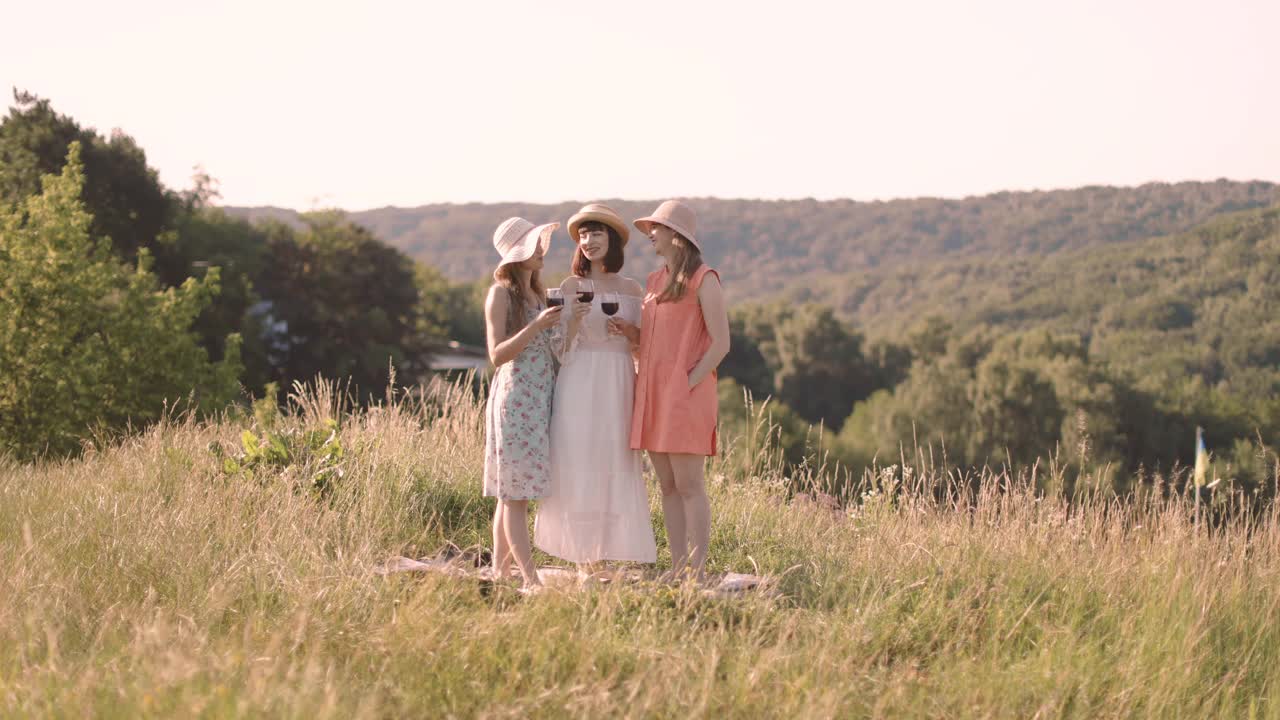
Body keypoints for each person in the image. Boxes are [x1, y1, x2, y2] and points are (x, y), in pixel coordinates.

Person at [534, 204, 657, 572]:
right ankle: (583, 557)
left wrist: (631, 334)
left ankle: (610, 554)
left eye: (596, 234)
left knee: (614, 459)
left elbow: (643, 348)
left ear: (613, 240)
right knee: (578, 458)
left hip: (618, 378)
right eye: (583, 236)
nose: (588, 242)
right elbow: (561, 350)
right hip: (579, 378)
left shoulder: (632, 288)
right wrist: (574, 323)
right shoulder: (571, 287)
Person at [611, 200, 730, 583]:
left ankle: (697, 570)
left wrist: (687, 383)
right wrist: (632, 337)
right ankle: (677, 567)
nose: (650, 235)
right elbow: (655, 341)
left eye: (657, 229)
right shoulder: (653, 281)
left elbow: (721, 344)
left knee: (690, 486)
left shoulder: (704, 279)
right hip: (653, 394)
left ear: (676, 236)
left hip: (686, 396)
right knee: (667, 486)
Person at [483, 216, 562, 591]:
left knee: (510, 493)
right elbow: (497, 354)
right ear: (518, 255)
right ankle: (530, 578)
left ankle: (500, 574)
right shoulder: (500, 294)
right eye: (534, 246)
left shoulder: (539, 294)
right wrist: (537, 327)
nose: (542, 251)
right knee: (516, 495)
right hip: (515, 400)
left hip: (538, 399)